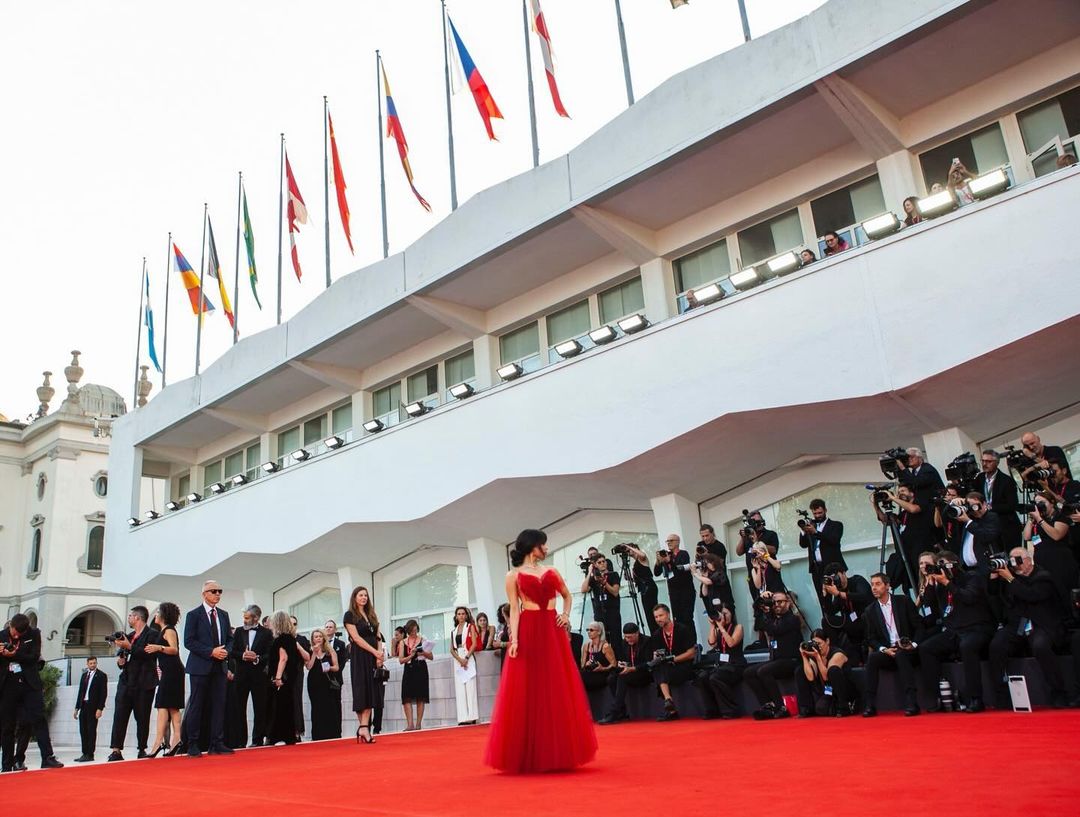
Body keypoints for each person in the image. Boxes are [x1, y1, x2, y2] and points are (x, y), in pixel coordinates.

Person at [484, 528, 597, 773]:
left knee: (555, 687)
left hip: (552, 629)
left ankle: (560, 750)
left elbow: (567, 596)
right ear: (531, 546)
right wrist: (514, 639)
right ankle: (527, 752)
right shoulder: (512, 576)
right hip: (529, 630)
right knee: (529, 688)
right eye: (542, 545)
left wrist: (566, 616)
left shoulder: (552, 571)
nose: (546, 549)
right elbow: (514, 608)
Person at [988, 547, 1067, 709]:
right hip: (1017, 625)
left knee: (1040, 645)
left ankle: (1058, 693)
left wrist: (1011, 579)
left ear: (1029, 560)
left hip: (1041, 624)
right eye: (1011, 559)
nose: (1015, 564)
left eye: (1018, 559)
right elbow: (992, 592)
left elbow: (1031, 595)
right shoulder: (1010, 577)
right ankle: (1002, 696)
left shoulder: (1043, 577)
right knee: (997, 645)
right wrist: (995, 575)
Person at [917, 551, 995, 712]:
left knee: (967, 646)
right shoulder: (940, 584)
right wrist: (931, 583)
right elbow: (929, 604)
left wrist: (947, 583)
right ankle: (936, 698)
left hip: (977, 628)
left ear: (954, 564)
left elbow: (969, 597)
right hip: (954, 631)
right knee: (926, 648)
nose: (941, 569)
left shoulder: (971, 577)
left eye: (943, 565)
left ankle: (975, 698)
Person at [0, 614, 63, 770]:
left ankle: (47, 757)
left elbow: (33, 657)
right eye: (14, 632)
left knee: (39, 718)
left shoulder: (34, 634)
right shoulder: (1, 636)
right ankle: (7, 764)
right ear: (10, 626)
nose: (15, 636)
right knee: (7, 725)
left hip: (30, 684)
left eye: (19, 634)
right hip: (7, 684)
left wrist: (15, 654)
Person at [182, 580, 235, 757]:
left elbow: (230, 639)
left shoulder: (224, 615)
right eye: (213, 591)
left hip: (220, 667)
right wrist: (211, 652)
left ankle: (217, 742)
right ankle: (193, 743)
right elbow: (189, 641)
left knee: (219, 705)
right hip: (200, 667)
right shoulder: (193, 615)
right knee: (197, 705)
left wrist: (224, 652)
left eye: (220, 591)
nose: (217, 594)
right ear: (204, 594)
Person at [862, 573, 921, 716]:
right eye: (872, 585)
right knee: (873, 658)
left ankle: (912, 702)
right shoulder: (870, 610)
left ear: (887, 586)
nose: (874, 588)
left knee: (901, 654)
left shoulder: (904, 601)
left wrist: (913, 644)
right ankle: (870, 705)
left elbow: (919, 626)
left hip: (908, 649)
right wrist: (883, 649)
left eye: (878, 584)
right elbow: (871, 638)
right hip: (889, 651)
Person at [107, 605, 158, 761]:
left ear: (137, 617)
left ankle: (142, 747)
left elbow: (148, 655)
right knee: (119, 715)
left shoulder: (152, 635)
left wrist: (129, 646)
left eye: (130, 616)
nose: (128, 619)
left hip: (144, 682)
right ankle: (116, 750)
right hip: (126, 681)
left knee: (142, 716)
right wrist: (121, 661)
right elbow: (123, 658)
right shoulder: (128, 636)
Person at [745, 591, 802, 720]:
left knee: (763, 671)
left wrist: (767, 614)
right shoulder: (773, 618)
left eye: (780, 602)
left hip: (791, 660)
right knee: (749, 672)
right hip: (777, 661)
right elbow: (759, 623)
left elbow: (774, 629)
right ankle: (767, 705)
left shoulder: (792, 619)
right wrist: (760, 602)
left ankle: (781, 707)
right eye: (774, 602)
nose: (776, 605)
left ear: (788, 603)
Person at [873, 484, 933, 595]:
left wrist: (893, 498)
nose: (900, 493)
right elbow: (886, 520)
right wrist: (875, 505)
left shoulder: (920, 505)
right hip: (906, 556)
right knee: (910, 586)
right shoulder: (903, 514)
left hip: (920, 553)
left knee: (923, 583)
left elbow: (913, 509)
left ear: (912, 493)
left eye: (903, 490)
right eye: (899, 491)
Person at [1024, 490, 1077, 611]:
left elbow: (1057, 535)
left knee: (1063, 591)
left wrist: (1040, 520)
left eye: (1042, 502)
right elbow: (1026, 536)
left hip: (1060, 561)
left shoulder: (1060, 516)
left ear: (1052, 502)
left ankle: (1071, 621)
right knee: (1051, 592)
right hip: (1043, 562)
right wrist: (1031, 519)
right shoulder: (1037, 519)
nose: (1039, 506)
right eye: (1036, 503)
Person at [343, 586, 383, 744]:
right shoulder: (350, 615)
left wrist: (379, 654)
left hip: (373, 656)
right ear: (354, 597)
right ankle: (364, 727)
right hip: (360, 657)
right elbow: (357, 639)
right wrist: (375, 652)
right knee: (361, 690)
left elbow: (378, 636)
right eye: (361, 595)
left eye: (366, 595)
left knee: (371, 690)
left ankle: (363, 727)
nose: (364, 598)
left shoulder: (372, 614)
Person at [229, 604, 272, 748]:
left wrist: (257, 658)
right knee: (238, 708)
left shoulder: (266, 633)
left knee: (260, 708)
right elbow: (232, 651)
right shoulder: (239, 631)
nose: (244, 620)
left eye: (247, 618)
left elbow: (270, 654)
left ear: (256, 618)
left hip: (259, 676)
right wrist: (242, 655)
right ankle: (240, 741)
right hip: (241, 675)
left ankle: (257, 740)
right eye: (244, 617)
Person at [693, 604, 746, 719]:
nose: (724, 617)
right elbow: (711, 643)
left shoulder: (738, 627)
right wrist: (713, 626)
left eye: (726, 614)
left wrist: (721, 628)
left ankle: (730, 710)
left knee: (715, 677)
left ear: (731, 614)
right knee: (702, 677)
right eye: (722, 615)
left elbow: (731, 643)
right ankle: (712, 710)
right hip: (722, 665)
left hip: (736, 664)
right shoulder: (717, 629)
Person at [144, 602, 184, 757]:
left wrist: (158, 648)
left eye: (158, 612)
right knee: (172, 707)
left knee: (163, 705)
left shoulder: (169, 630)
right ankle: (176, 739)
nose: (155, 614)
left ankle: (159, 741)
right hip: (170, 671)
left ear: (163, 615)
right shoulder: (163, 631)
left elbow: (174, 649)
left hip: (173, 672)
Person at [736, 511, 780, 648]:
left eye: (756, 521)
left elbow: (774, 550)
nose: (754, 523)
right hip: (755, 573)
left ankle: (777, 636)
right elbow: (738, 552)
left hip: (771, 576)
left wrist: (757, 542)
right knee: (759, 606)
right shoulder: (748, 537)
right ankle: (764, 639)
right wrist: (744, 538)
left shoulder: (770, 535)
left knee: (772, 605)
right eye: (751, 521)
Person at [647, 604, 697, 721]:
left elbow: (691, 653)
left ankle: (670, 707)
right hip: (667, 668)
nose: (658, 619)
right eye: (656, 617)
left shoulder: (683, 629)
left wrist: (673, 659)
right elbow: (658, 654)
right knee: (658, 668)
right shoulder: (656, 635)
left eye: (661, 615)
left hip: (684, 666)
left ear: (668, 614)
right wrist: (657, 657)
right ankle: (668, 700)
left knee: (661, 671)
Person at [598, 623, 652, 724]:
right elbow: (622, 659)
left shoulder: (647, 641)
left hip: (644, 673)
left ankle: (614, 712)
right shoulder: (624, 643)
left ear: (637, 633)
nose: (628, 640)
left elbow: (650, 662)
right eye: (626, 637)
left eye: (630, 637)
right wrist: (621, 665)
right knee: (611, 678)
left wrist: (633, 668)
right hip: (629, 671)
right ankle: (621, 710)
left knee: (623, 677)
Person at [265, 611, 305, 745]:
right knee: (287, 705)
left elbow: (283, 658)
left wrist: (277, 678)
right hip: (290, 678)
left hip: (282, 678)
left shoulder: (280, 639)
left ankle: (277, 736)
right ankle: (288, 735)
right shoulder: (291, 638)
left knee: (279, 706)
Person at [794, 629, 853, 717]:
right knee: (799, 670)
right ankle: (806, 708)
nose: (818, 647)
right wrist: (804, 657)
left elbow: (827, 677)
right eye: (814, 644)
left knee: (833, 670)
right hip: (828, 691)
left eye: (819, 644)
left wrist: (818, 658)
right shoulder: (816, 655)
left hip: (843, 690)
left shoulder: (837, 654)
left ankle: (844, 706)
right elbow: (810, 677)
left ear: (827, 641)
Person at [818, 563, 871, 659]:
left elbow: (863, 596)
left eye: (836, 577)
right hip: (851, 623)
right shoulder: (837, 590)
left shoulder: (857, 580)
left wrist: (839, 594)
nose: (836, 580)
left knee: (866, 616)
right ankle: (836, 653)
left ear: (843, 573)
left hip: (866, 620)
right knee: (826, 621)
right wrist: (826, 596)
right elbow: (831, 611)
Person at [798, 498, 846, 602]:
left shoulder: (836, 525)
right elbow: (803, 544)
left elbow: (834, 540)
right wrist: (803, 531)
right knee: (823, 599)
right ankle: (827, 618)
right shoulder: (811, 526)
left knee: (840, 596)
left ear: (825, 510)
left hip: (833, 566)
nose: (817, 516)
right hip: (817, 568)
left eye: (820, 513)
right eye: (815, 513)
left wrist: (815, 532)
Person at [977, 450, 1022, 550]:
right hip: (988, 526)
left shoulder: (1007, 480)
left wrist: (990, 507)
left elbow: (1012, 505)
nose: (985, 464)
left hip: (1006, 526)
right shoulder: (979, 478)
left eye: (989, 461)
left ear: (997, 462)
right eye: (983, 461)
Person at [654, 534, 696, 633]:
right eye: (667, 541)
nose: (669, 543)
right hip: (674, 592)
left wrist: (670, 562)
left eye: (671, 540)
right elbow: (656, 573)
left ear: (677, 542)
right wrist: (658, 561)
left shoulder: (683, 554)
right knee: (677, 620)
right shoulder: (667, 555)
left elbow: (680, 570)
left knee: (687, 619)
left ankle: (692, 643)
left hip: (686, 591)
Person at [950, 492, 1001, 573]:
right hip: (966, 568)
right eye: (971, 506)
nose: (975, 509)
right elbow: (946, 517)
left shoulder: (991, 517)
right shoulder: (968, 518)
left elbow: (987, 536)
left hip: (985, 568)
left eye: (977, 505)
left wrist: (968, 521)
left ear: (984, 504)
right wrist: (952, 504)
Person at [306, 627, 341, 740]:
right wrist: (314, 654)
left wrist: (329, 668)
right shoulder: (310, 650)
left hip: (327, 681)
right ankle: (317, 734)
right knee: (316, 707)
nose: (318, 638)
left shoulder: (330, 651)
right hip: (314, 682)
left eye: (320, 636)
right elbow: (308, 666)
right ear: (312, 639)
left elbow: (337, 667)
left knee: (329, 707)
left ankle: (332, 733)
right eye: (316, 637)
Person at [616, 543, 659, 635]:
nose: (628, 552)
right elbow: (638, 580)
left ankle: (657, 633)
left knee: (652, 612)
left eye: (629, 550)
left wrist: (628, 546)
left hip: (649, 587)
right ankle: (654, 634)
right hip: (643, 589)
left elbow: (643, 555)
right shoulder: (635, 564)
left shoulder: (641, 559)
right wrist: (630, 578)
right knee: (648, 615)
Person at [397, 619, 431, 731]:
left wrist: (423, 653)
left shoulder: (423, 639)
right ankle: (410, 724)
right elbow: (401, 660)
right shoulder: (403, 642)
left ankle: (418, 724)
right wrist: (410, 656)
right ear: (408, 631)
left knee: (420, 696)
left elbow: (431, 656)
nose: (414, 633)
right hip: (409, 669)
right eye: (412, 631)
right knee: (406, 696)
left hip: (421, 668)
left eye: (416, 630)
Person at [580, 556, 622, 649]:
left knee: (616, 639)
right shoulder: (594, 578)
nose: (602, 563)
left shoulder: (613, 575)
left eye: (604, 561)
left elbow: (615, 592)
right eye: (599, 562)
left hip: (612, 612)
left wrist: (604, 583)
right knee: (601, 640)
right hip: (599, 613)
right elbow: (583, 590)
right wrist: (589, 573)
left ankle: (618, 660)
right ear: (595, 565)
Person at [73, 656, 108, 762]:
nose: (93, 665)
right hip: (84, 705)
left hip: (93, 706)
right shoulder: (84, 676)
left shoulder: (101, 676)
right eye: (91, 663)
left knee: (91, 730)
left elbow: (103, 693)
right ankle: (84, 752)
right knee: (83, 730)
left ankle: (90, 753)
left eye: (94, 663)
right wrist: (76, 708)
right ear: (87, 664)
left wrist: (100, 708)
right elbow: (80, 692)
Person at [450, 606, 481, 725]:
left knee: (470, 686)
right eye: (459, 614)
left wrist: (466, 657)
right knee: (460, 688)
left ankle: (472, 716)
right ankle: (463, 717)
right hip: (458, 658)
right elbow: (451, 649)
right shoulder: (453, 631)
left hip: (468, 656)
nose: (461, 616)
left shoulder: (470, 627)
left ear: (466, 615)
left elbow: (474, 643)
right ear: (456, 616)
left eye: (463, 614)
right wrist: (459, 659)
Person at [897, 447, 945, 513]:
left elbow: (917, 482)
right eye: (907, 458)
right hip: (924, 507)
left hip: (934, 508)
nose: (909, 459)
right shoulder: (914, 471)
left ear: (920, 458)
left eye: (912, 457)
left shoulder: (927, 469)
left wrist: (903, 468)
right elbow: (907, 483)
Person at [691, 552, 734, 623]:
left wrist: (695, 574)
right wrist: (703, 577)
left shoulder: (720, 573)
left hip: (725, 609)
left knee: (729, 631)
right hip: (714, 611)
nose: (705, 565)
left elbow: (709, 582)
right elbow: (704, 593)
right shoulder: (708, 577)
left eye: (707, 562)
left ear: (713, 563)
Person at [579, 621, 616, 696]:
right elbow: (582, 665)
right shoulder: (586, 645)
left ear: (599, 632)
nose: (589, 632)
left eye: (591, 630)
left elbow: (614, 664)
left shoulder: (605, 646)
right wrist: (586, 664)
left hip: (602, 673)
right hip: (589, 672)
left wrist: (603, 668)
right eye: (587, 630)